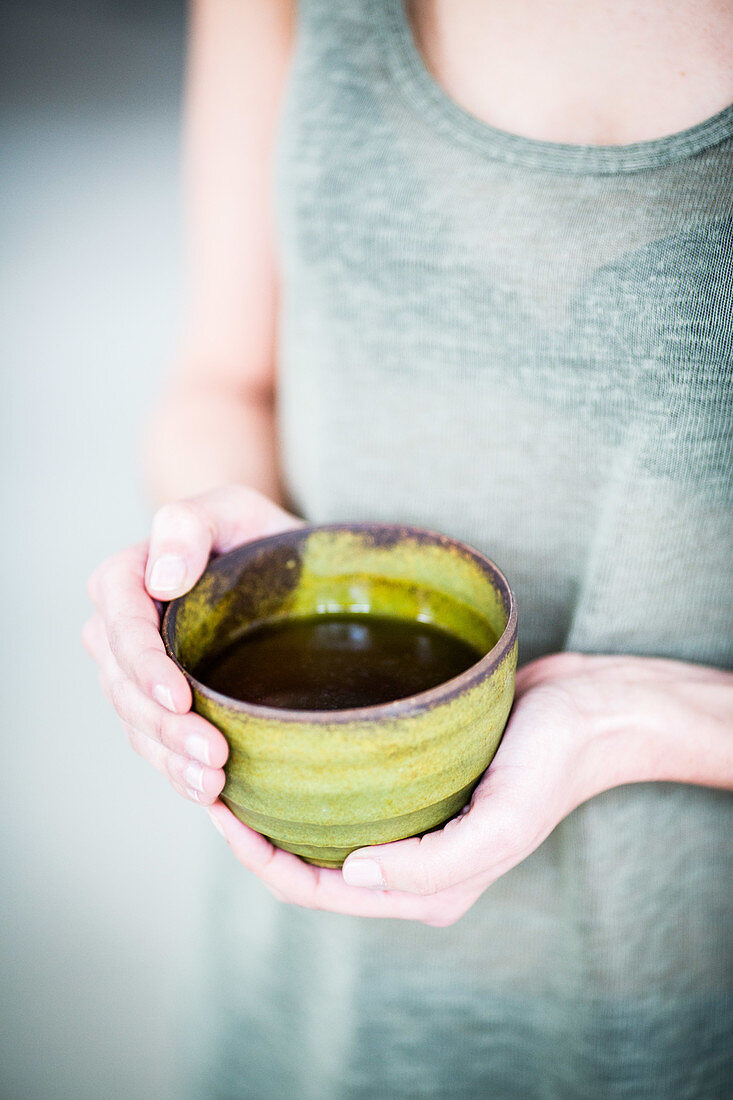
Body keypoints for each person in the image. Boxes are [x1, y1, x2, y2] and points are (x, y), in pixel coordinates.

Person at [83, 1, 733, 1095]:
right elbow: (220, 380)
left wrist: (642, 717)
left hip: (681, 1028)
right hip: (309, 1012)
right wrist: (191, 531)